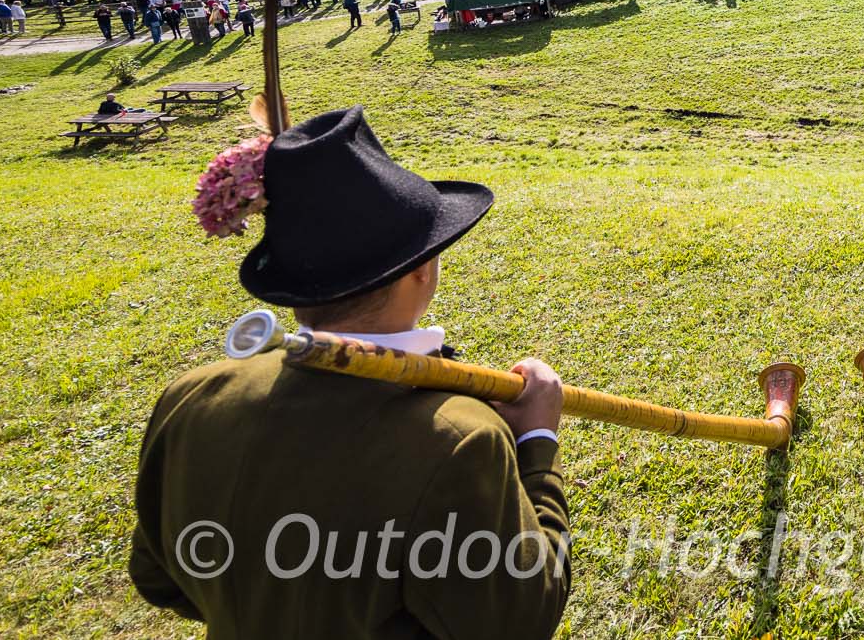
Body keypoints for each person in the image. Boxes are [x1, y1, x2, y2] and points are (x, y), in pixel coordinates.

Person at [130, 105, 570, 638]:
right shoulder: (461, 438)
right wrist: (538, 441)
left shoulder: (189, 395)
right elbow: (521, 619)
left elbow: (158, 578)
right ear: (421, 268)